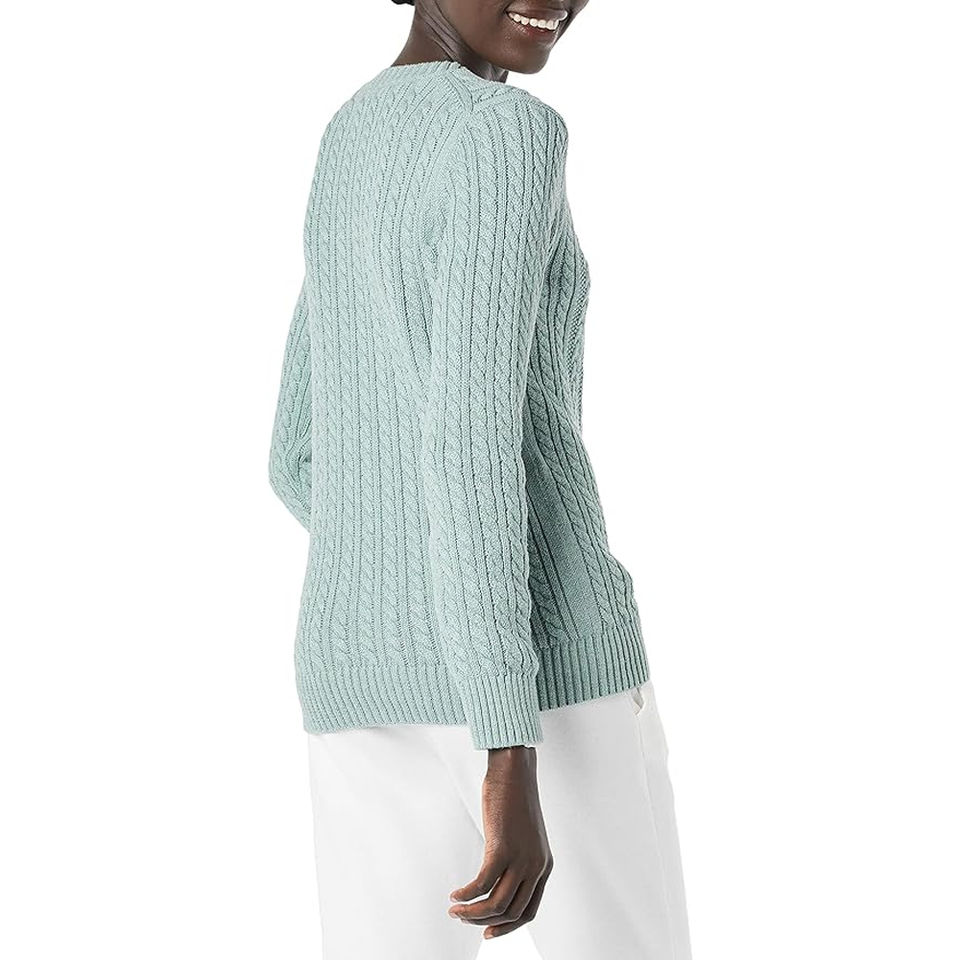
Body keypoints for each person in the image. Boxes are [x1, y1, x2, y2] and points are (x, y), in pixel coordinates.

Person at [268, 1, 692, 957]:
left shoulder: (352, 133)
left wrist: (403, 591)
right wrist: (503, 737)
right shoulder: (503, 132)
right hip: (542, 683)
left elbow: (296, 450)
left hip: (356, 676)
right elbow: (470, 440)